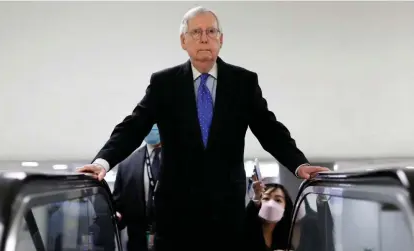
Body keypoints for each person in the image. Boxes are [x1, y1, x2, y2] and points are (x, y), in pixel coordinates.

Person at [77, 6, 329, 251]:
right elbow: (134, 126)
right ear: (183, 41)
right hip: (176, 219)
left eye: (211, 31)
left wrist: (299, 164)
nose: (204, 38)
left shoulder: (243, 82)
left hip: (226, 218)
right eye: (196, 32)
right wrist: (102, 162)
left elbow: (269, 129)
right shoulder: (164, 83)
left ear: (221, 39)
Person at [113, 125, 161, 251]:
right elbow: (118, 206)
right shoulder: (127, 163)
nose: (152, 128)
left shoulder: (184, 158)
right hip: (139, 243)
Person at [245, 178, 294, 251]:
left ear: (285, 208)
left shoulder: (288, 236)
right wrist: (256, 197)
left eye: (278, 200)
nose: (271, 204)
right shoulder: (246, 231)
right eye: (266, 198)